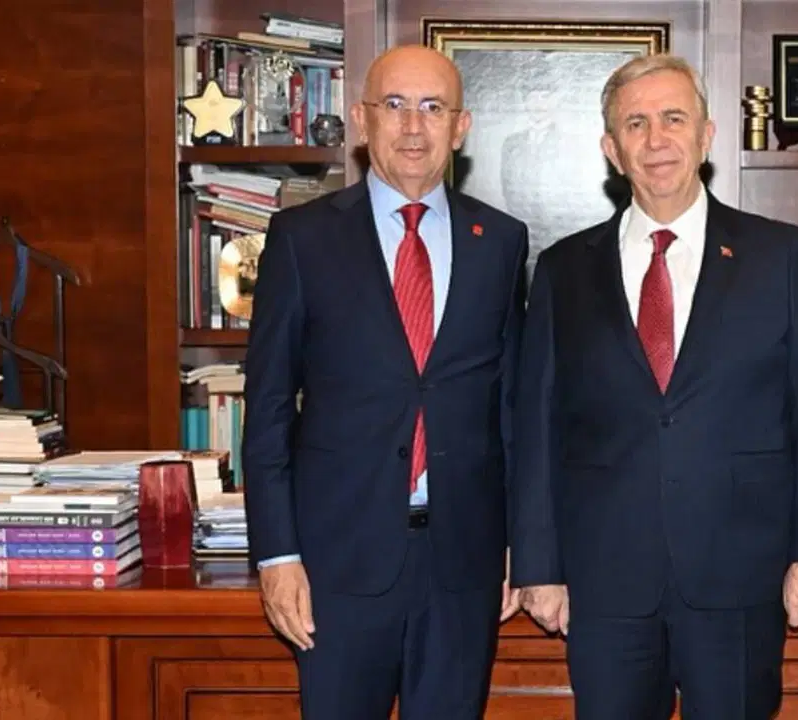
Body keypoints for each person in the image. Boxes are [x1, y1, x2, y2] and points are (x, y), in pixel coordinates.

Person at [509, 53, 798, 719]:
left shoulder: (779, 255)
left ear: (706, 135)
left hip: (740, 573)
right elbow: (538, 425)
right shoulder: (563, 269)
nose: (655, 139)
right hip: (605, 581)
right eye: (635, 124)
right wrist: (539, 566)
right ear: (612, 150)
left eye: (673, 118)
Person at [242, 45, 528, 720]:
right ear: (362, 119)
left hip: (464, 563)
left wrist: (523, 544)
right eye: (394, 105)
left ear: (460, 127)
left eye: (434, 107)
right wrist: (276, 554)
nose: (413, 126)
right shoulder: (301, 239)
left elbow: (512, 406)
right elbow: (270, 408)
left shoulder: (501, 241)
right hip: (336, 564)